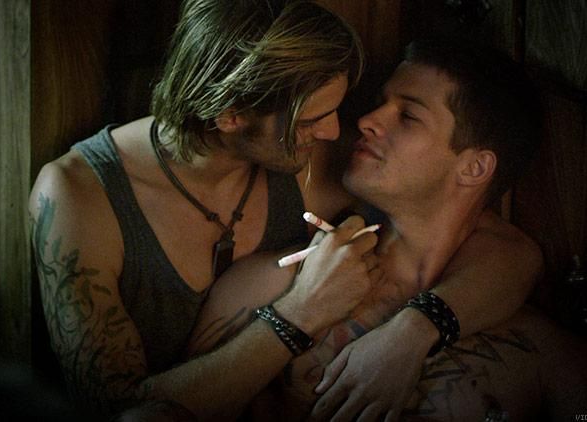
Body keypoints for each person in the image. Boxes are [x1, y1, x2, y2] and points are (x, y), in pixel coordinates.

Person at [29, 0, 538, 418]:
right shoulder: (78, 196)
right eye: (311, 120)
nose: (335, 131)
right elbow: (120, 413)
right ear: (231, 115)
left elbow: (509, 250)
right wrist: (299, 313)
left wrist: (412, 333)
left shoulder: (314, 161)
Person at [188, 37, 587, 420]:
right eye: (379, 103)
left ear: (474, 167)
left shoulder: (542, 350)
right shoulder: (266, 287)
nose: (368, 120)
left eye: (408, 115)